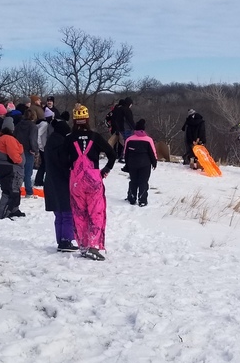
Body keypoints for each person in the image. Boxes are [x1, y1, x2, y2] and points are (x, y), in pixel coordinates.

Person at [68, 103, 116, 260]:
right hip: (94, 179)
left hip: (76, 181)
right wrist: (106, 170)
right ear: (87, 119)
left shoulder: (69, 138)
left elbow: (61, 158)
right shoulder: (95, 137)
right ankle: (93, 245)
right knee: (96, 212)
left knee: (79, 213)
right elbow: (112, 154)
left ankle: (83, 245)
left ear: (75, 120)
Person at [44, 111, 76, 251]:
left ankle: (61, 240)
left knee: (59, 214)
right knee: (67, 213)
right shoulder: (61, 145)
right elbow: (64, 164)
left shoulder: (50, 143)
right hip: (62, 182)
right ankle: (66, 240)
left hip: (50, 181)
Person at [0, 116, 25, 219]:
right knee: (10, 190)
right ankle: (3, 212)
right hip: (11, 167)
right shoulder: (9, 138)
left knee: (11, 189)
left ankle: (14, 209)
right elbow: (14, 155)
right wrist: (20, 161)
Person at [123, 118, 158, 207]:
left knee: (133, 181)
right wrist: (154, 163)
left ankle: (132, 197)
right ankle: (142, 200)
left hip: (132, 164)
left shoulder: (129, 139)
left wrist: (127, 164)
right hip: (145, 164)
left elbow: (125, 153)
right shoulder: (148, 140)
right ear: (143, 130)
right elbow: (152, 153)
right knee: (143, 182)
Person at [15, 108, 40, 197]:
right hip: (28, 151)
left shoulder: (18, 125)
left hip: (18, 150)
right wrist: (35, 150)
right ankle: (29, 191)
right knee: (28, 172)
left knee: (18, 171)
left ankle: (16, 190)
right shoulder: (33, 127)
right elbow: (33, 139)